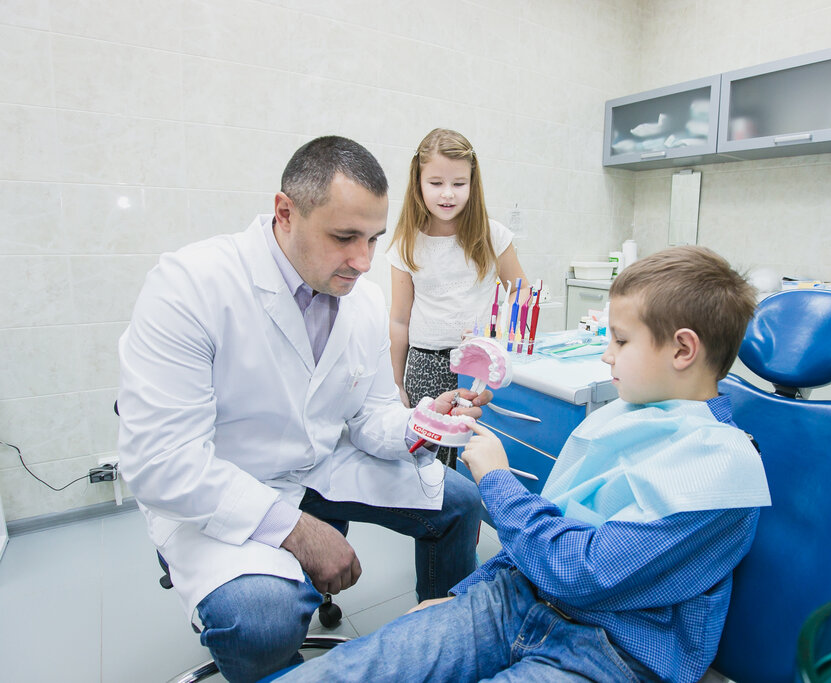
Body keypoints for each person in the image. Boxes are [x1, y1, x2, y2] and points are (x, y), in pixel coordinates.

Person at [280, 245, 772, 683]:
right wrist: (463, 594)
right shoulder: (628, 416)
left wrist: (498, 481)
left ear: (683, 349)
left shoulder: (721, 473)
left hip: (609, 649)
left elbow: (580, 571)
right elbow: (547, 531)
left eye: (621, 341)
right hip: (516, 597)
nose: (606, 356)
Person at [117, 136, 488, 683]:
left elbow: (369, 418)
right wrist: (295, 529)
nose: (363, 262)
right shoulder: (191, 286)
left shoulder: (361, 300)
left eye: (373, 239)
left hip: (319, 466)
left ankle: (440, 648)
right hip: (222, 488)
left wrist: (424, 422)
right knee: (261, 621)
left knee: (459, 502)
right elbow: (160, 462)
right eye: (344, 237)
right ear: (285, 212)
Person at [387, 128, 529, 468]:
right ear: (418, 182)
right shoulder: (406, 242)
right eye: (436, 183)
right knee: (425, 465)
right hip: (425, 366)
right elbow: (399, 320)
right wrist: (395, 383)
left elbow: (521, 290)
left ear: (472, 183)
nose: (448, 194)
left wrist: (497, 332)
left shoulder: (492, 234)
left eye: (459, 183)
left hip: (478, 366)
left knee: (474, 463)